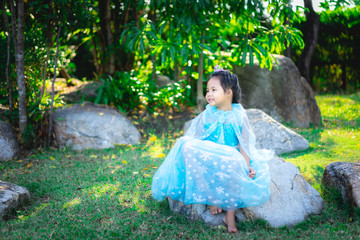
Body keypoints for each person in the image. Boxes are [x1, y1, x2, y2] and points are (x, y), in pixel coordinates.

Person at [151, 65, 274, 233]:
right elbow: (197, 138)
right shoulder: (208, 113)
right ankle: (211, 198)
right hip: (209, 156)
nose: (209, 94)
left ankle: (229, 215)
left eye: (214, 90)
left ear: (228, 92)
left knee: (235, 166)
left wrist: (247, 165)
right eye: (207, 90)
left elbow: (244, 144)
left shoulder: (239, 115)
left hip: (230, 156)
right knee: (186, 147)